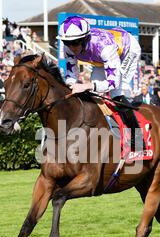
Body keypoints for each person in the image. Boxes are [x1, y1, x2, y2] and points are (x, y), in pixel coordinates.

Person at [57, 15, 143, 149]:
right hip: (99, 60)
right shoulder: (68, 48)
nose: (71, 47)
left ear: (85, 39)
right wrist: (70, 85)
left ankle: (137, 138)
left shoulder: (104, 47)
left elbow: (113, 83)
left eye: (75, 42)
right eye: (67, 42)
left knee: (116, 93)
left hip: (127, 50)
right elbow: (71, 75)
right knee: (94, 93)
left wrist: (86, 85)